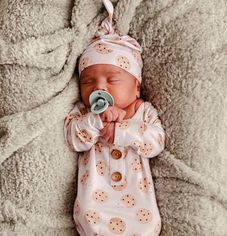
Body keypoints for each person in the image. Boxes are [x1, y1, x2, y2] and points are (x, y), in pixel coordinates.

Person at [64, 0, 165, 235]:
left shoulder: (144, 111)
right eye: (88, 81)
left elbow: (156, 142)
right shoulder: (83, 113)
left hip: (139, 206)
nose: (99, 86)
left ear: (136, 87)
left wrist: (124, 131)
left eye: (112, 80)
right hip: (95, 204)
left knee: (148, 227)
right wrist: (96, 120)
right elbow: (74, 139)